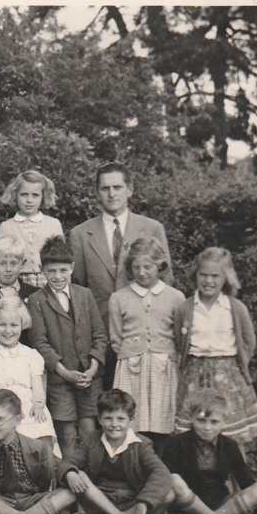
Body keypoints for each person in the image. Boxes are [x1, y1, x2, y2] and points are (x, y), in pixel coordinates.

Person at [69, 162, 171, 388]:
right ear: (97, 193)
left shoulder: (152, 229)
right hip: (101, 331)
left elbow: (165, 281)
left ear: (130, 189)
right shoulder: (80, 234)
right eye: (105, 188)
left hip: (145, 331)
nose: (112, 193)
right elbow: (78, 288)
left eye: (117, 187)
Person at [172, 247, 257, 446]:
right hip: (194, 375)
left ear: (226, 278)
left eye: (215, 276)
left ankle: (238, 476)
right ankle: (196, 477)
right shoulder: (186, 308)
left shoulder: (235, 307)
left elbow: (249, 342)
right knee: (196, 431)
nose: (208, 281)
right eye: (203, 275)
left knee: (230, 434)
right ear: (195, 276)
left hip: (228, 375)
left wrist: (234, 366)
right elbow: (179, 342)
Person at [27, 236, 107, 458]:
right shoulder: (37, 300)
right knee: (67, 432)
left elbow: (100, 335)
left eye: (63, 270)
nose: (58, 276)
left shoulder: (85, 295)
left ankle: (90, 477)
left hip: (89, 378)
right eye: (51, 271)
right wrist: (63, 372)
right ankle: (70, 475)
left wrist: (92, 368)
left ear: (71, 268)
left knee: (89, 429)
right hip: (60, 380)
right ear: (42, 270)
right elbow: (39, 343)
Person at [58, 389, 174, 514]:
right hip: (100, 502)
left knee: (169, 494)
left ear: (131, 420)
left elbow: (161, 473)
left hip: (130, 502)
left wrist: (144, 502)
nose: (114, 424)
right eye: (108, 418)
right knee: (79, 474)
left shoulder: (141, 444)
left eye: (121, 419)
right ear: (99, 419)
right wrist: (70, 473)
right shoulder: (91, 440)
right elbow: (68, 462)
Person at [108, 238, 185, 452]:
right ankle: (133, 469)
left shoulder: (175, 297)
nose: (142, 272)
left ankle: (162, 471)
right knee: (132, 422)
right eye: (136, 267)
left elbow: (180, 337)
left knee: (163, 421)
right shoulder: (119, 298)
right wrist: (132, 354)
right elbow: (116, 337)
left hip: (164, 368)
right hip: (131, 369)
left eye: (147, 267)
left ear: (160, 265)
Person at [163, 388, 257, 514]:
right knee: (174, 480)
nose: (207, 428)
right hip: (188, 507)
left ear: (224, 423)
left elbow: (246, 481)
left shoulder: (230, 445)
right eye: (201, 421)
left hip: (222, 506)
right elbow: (165, 483)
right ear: (192, 419)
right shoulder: (176, 442)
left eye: (214, 422)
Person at [0, 389, 74, 514]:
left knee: (69, 493)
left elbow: (46, 478)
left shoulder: (38, 447)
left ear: (17, 420)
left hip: (31, 501)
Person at [0, 297, 59, 455]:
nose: (8, 331)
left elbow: (37, 387)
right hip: (1, 407)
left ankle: (44, 474)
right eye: (2, 324)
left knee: (42, 437)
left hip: (30, 407)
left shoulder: (31, 355)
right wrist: (7, 411)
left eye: (14, 325)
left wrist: (38, 404)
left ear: (22, 325)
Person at [0, 170, 64, 288]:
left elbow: (62, 260)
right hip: (18, 283)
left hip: (48, 282)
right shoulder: (7, 226)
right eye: (24, 194)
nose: (29, 200)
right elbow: (2, 261)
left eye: (35, 195)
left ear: (43, 196)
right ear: (15, 195)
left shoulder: (53, 224)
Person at [0, 235, 36, 349]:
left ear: (23, 264)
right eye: (3, 263)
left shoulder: (34, 295)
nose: (8, 269)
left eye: (14, 263)